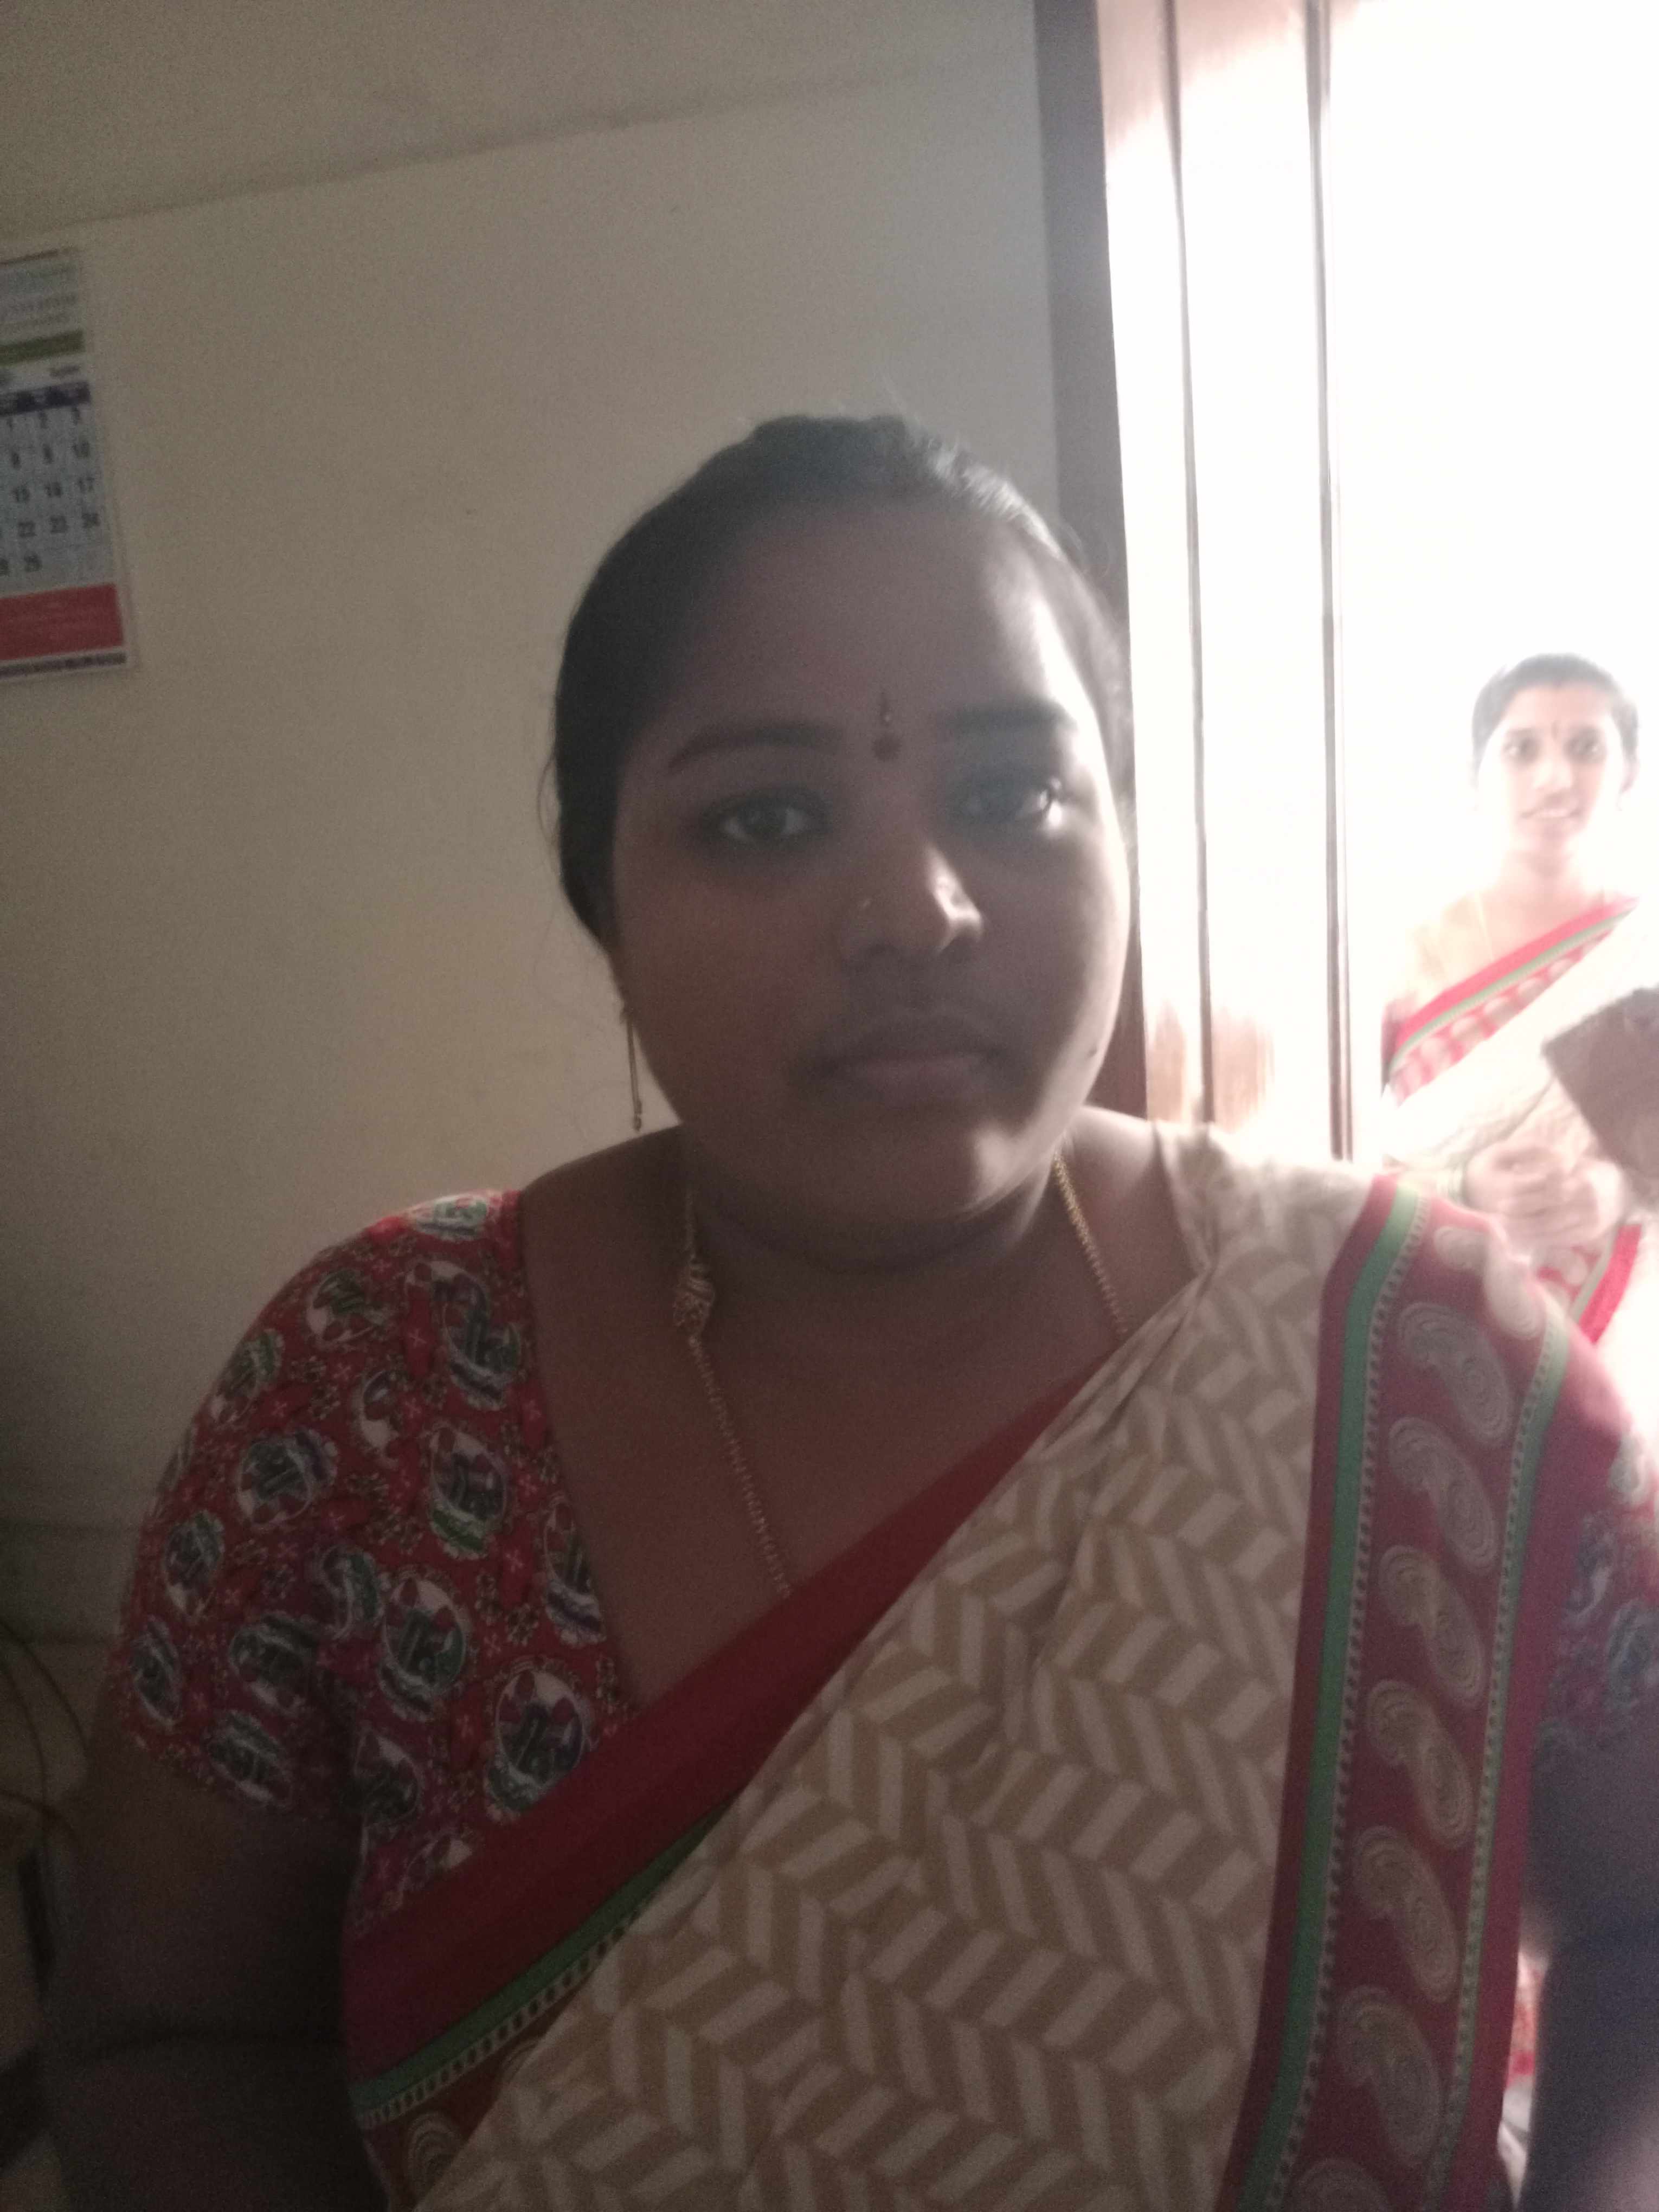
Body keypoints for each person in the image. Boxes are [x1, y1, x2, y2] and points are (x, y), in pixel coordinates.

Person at [48, 422, 1659, 2212]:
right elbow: (170, 2036)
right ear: (604, 896)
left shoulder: (1413, 1361)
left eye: (1014, 796)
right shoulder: (375, 1394)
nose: (918, 911)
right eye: (767, 818)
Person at [1378, 655, 1658, 1455]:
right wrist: (1463, 1188)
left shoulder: (1643, 955)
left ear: (1628, 773)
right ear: (1478, 775)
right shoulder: (1406, 959)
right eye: (1522, 748)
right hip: (1435, 1321)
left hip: (1625, 1334)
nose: (1555, 777)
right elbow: (1332, 1166)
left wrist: (1613, 1191)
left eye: (1586, 747)